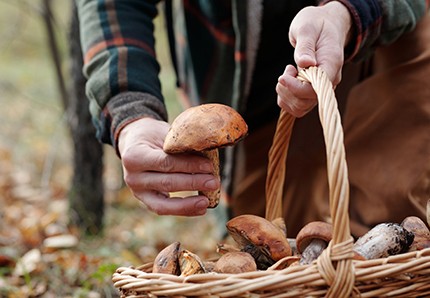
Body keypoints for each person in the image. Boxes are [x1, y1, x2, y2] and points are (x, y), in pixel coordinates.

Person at [75, 0, 430, 237]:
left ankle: (382, 271)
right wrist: (131, 109)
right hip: (243, 95)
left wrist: (347, 14)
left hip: (376, 37)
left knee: (382, 234)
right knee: (268, 247)